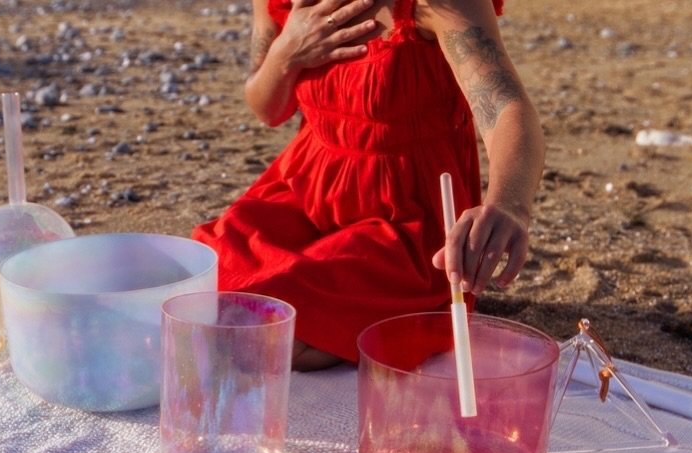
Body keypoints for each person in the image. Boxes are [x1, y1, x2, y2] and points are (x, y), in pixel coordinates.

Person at [192, 0, 545, 370]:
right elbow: (268, 108)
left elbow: (505, 107)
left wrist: (509, 204)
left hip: (404, 221)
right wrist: (287, 52)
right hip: (302, 191)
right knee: (200, 289)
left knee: (271, 332)